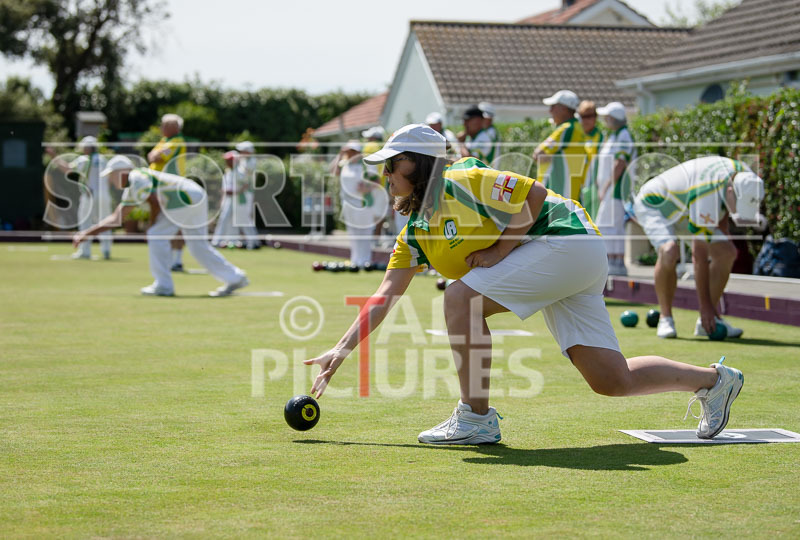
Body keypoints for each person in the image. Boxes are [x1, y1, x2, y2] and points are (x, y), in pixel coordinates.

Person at [304, 124, 744, 445]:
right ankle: (714, 380)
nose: (385, 174)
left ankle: (475, 419)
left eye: (391, 164)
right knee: (612, 380)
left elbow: (532, 195)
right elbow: (384, 294)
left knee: (461, 297)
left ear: (419, 164)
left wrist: (497, 253)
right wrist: (341, 350)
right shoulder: (416, 232)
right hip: (566, 260)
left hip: (565, 241)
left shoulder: (461, 179)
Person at [72, 155, 249, 297]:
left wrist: (152, 225)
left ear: (122, 171)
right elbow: (116, 218)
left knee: (157, 235)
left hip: (185, 199)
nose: (111, 180)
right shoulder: (135, 183)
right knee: (197, 246)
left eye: (111, 175)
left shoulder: (136, 178)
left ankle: (164, 285)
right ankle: (235, 278)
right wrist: (86, 233)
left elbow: (155, 201)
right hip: (194, 195)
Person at [632, 156, 764, 339]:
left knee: (727, 253)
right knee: (670, 251)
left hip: (686, 208)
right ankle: (666, 318)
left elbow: (724, 216)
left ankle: (708, 322)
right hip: (655, 204)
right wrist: (705, 306)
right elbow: (699, 257)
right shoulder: (707, 192)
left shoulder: (747, 178)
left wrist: (710, 309)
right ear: (730, 191)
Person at [46, 136, 112, 259]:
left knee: (85, 223)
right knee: (105, 222)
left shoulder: (83, 160)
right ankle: (106, 250)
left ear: (88, 148)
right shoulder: (103, 159)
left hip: (89, 196)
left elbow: (68, 170)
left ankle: (84, 251)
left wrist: (54, 157)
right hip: (104, 195)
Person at [594, 102, 636, 276]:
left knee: (607, 225)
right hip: (611, 189)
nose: (604, 120)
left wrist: (605, 186)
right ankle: (615, 264)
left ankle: (613, 264)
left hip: (616, 189)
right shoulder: (614, 135)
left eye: (607, 117)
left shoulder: (624, 135)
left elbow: (620, 163)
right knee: (610, 225)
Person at [147, 113, 188, 271]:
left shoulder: (177, 141)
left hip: (173, 187)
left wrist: (154, 156)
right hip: (161, 187)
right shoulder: (165, 141)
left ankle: (176, 260)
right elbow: (151, 156)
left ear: (174, 127)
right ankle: (166, 258)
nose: (161, 128)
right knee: (159, 222)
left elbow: (156, 157)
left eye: (164, 125)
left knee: (175, 224)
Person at [331, 140, 380, 267]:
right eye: (347, 151)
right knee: (353, 232)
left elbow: (378, 181)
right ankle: (355, 260)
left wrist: (367, 188)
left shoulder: (366, 164)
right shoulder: (344, 163)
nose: (349, 153)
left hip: (363, 203)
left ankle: (365, 261)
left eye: (351, 151)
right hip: (348, 203)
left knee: (364, 232)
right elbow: (334, 171)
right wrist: (339, 155)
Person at [532, 90, 586, 200]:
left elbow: (538, 154)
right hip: (568, 191)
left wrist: (548, 157)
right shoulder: (576, 127)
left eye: (553, 106)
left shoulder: (568, 128)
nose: (550, 110)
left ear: (564, 109)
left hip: (561, 192)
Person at [231, 141, 261, 249]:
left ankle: (253, 242)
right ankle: (249, 241)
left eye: (242, 151)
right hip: (241, 192)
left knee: (245, 217)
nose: (240, 153)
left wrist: (241, 189)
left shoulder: (251, 162)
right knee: (242, 217)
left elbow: (245, 178)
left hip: (246, 193)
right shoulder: (244, 161)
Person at [577, 100, 604, 217]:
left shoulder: (600, 137)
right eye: (583, 116)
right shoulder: (576, 134)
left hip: (592, 187)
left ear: (595, 117)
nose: (586, 120)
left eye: (590, 116)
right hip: (576, 185)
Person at [211, 150, 239, 247]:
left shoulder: (239, 172)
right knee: (225, 219)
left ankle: (225, 241)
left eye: (229, 160)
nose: (226, 162)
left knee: (231, 221)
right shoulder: (228, 171)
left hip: (236, 200)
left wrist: (231, 192)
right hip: (228, 199)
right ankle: (222, 241)